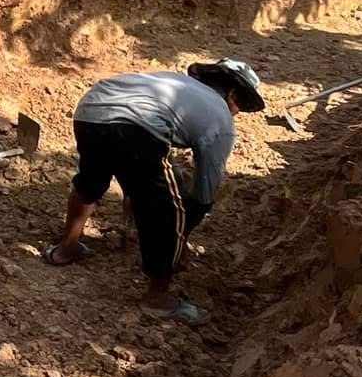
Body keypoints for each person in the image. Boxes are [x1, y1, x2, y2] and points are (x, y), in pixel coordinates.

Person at [46, 59, 265, 325]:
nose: (237, 113)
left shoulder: (176, 84)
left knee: (91, 181)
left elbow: (132, 162)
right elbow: (204, 190)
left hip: (91, 109)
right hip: (137, 125)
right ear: (232, 95)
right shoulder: (221, 118)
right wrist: (181, 233)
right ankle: (158, 299)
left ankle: (66, 248)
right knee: (169, 209)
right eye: (240, 106)